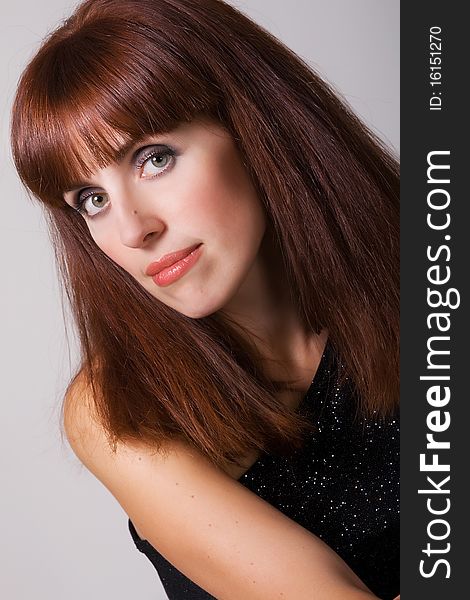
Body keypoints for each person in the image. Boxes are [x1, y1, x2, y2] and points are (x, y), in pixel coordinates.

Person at [10, 0, 399, 598]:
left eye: (154, 159)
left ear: (254, 128)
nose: (132, 229)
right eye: (91, 199)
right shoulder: (122, 409)